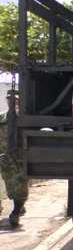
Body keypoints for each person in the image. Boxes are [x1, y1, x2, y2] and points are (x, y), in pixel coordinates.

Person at [0, 91, 28, 228]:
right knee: (9, 187)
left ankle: (16, 212)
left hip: (20, 161)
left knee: (20, 188)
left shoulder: (24, 120)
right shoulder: (1, 120)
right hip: (5, 161)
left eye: (15, 101)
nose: (12, 103)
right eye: (10, 100)